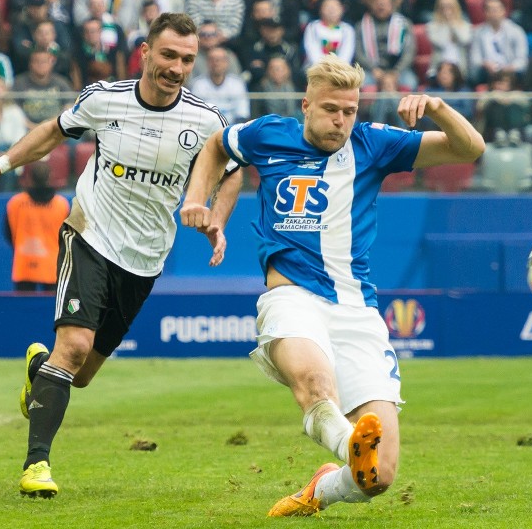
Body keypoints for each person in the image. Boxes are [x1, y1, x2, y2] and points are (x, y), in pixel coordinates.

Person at [180, 53, 484, 517]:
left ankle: (321, 488)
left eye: (349, 111)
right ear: (306, 104)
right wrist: (196, 201)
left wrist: (438, 108)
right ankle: (348, 445)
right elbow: (217, 145)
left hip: (356, 310)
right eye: (330, 110)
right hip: (291, 297)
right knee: (316, 384)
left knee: (378, 476)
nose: (341, 121)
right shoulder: (268, 134)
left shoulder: (374, 144)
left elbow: (469, 149)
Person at [0, 12, 243, 498]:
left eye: (187, 59)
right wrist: (0, 163)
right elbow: (53, 129)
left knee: (82, 372)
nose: (177, 67)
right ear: (146, 52)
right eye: (169, 55)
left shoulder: (205, 120)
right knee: (72, 348)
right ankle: (36, 466)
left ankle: (38, 371)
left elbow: (233, 170)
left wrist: (217, 218)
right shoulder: (104, 99)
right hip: (88, 235)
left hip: (146, 258)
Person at [5, 161, 70, 292]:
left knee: (24, 310)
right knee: (51, 310)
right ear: (50, 177)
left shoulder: (16, 203)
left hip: (24, 264)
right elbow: (67, 236)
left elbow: (8, 232)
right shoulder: (61, 204)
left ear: (29, 178)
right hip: (52, 265)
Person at [469, 0, 529, 85]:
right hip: (487, 72)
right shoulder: (477, 33)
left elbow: (522, 61)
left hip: (510, 70)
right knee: (474, 75)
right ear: (485, 12)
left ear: (504, 11)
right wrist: (486, 64)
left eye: (496, 9)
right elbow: (475, 59)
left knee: (523, 73)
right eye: (490, 9)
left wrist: (509, 68)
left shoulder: (517, 31)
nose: (493, 12)